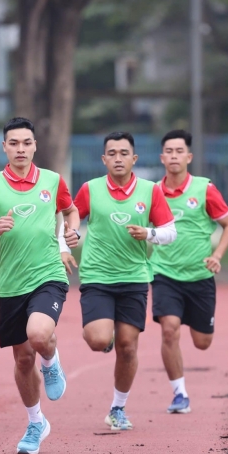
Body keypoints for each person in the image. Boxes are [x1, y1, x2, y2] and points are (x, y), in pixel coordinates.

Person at [0, 117, 80, 454]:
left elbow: (71, 212)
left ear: (35, 146)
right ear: (4, 147)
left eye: (26, 143)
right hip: (10, 285)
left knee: (39, 335)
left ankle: (52, 360)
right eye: (14, 143)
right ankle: (36, 423)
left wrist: (68, 238)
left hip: (48, 275)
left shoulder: (53, 181)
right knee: (23, 360)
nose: (20, 149)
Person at [66, 131, 176, 431]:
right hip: (97, 276)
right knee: (98, 340)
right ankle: (106, 335)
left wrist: (149, 234)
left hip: (134, 278)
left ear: (134, 158)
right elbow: (71, 218)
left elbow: (170, 230)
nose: (118, 158)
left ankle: (118, 408)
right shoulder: (90, 189)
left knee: (128, 347)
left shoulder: (150, 191)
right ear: (104, 159)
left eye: (123, 153)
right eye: (112, 153)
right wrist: (69, 238)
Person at [150, 129, 228, 414]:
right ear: (162, 157)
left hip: (200, 276)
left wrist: (217, 255)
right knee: (169, 330)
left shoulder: (204, 188)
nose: (174, 156)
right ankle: (179, 394)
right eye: (169, 151)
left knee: (202, 343)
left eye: (179, 151)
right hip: (164, 273)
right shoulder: (152, 192)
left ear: (189, 156)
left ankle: (193, 320)